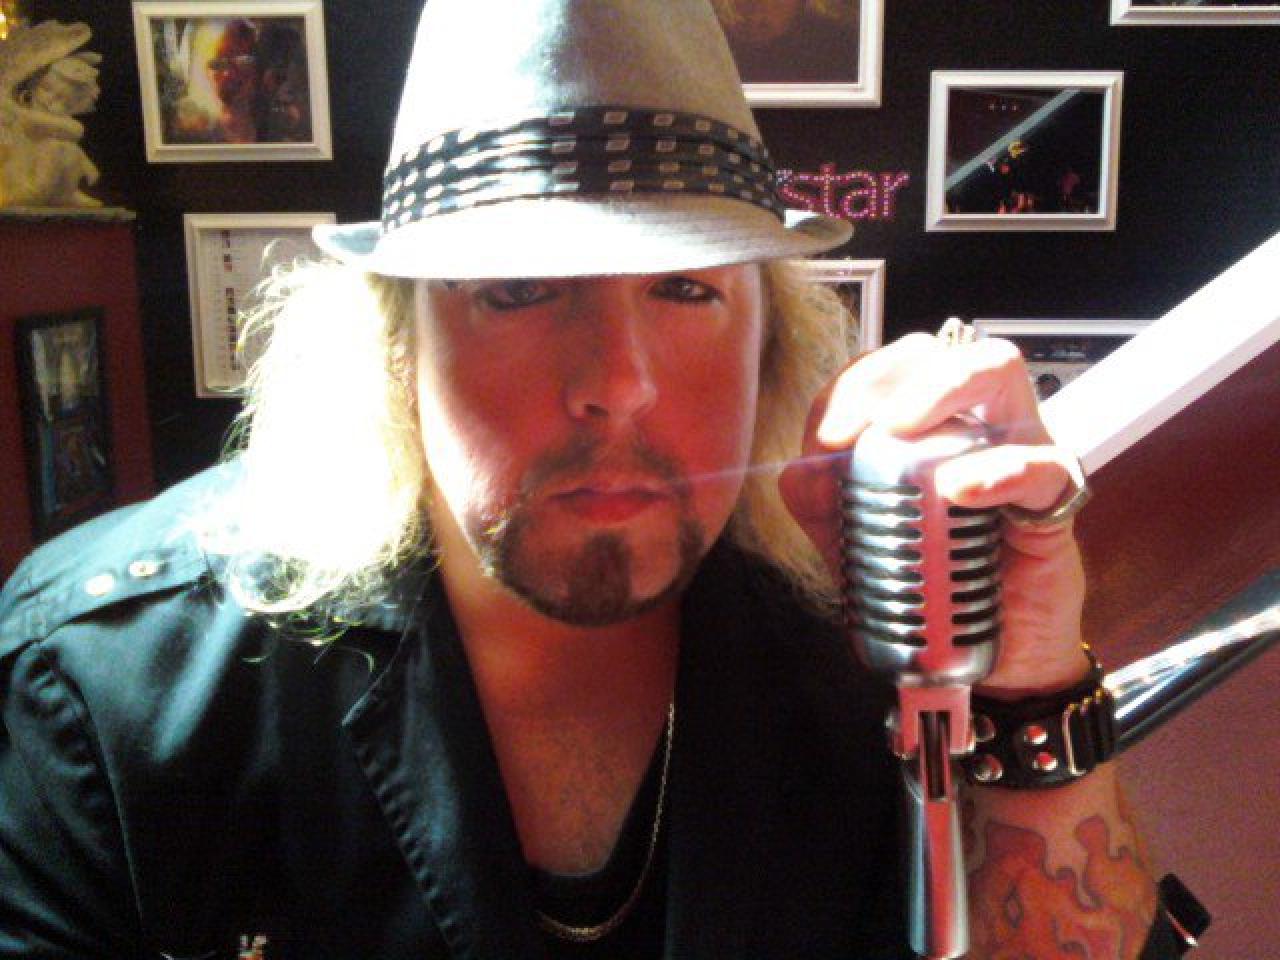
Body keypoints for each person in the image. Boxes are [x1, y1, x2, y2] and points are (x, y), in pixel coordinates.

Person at [0, 1, 1199, 958]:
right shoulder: (109, 693)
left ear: (768, 341)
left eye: (685, 289)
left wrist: (1028, 689)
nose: (617, 384)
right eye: (517, 289)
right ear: (395, 349)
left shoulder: (871, 637)